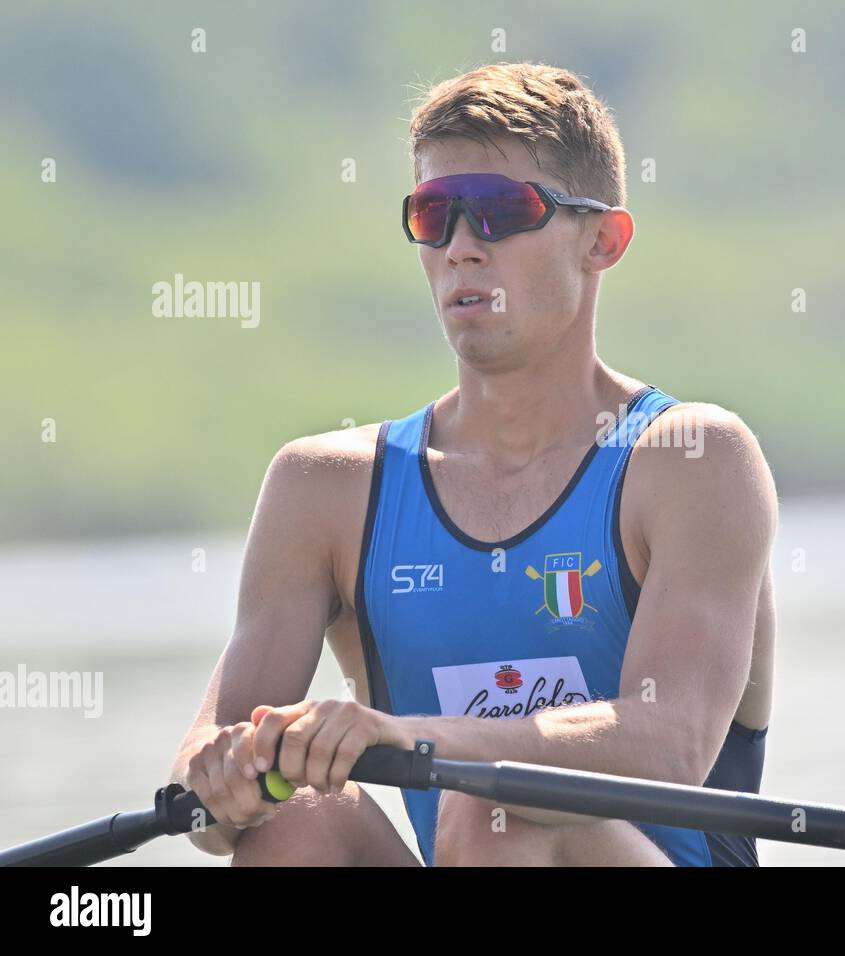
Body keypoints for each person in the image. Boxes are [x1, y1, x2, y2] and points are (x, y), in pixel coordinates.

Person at [170, 61, 778, 866]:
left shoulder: (693, 460)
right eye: (434, 216)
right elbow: (204, 815)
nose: (460, 248)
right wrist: (220, 782)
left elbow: (671, 745)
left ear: (604, 240)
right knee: (298, 815)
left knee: (499, 809)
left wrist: (408, 738)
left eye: (497, 212)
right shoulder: (324, 489)